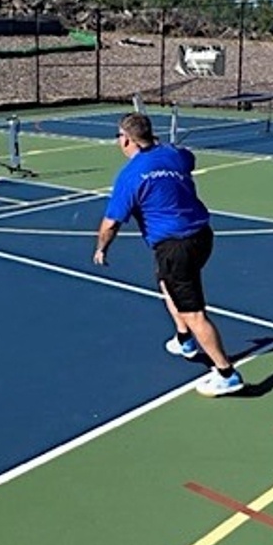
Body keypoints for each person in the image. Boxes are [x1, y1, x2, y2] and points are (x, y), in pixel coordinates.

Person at [93, 112, 243, 397]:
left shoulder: (129, 177)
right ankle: (184, 339)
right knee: (165, 281)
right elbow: (188, 158)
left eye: (119, 136)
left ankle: (227, 373)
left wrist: (102, 248)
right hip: (202, 237)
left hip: (176, 247)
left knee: (194, 312)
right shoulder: (176, 156)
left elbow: (111, 223)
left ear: (126, 140)